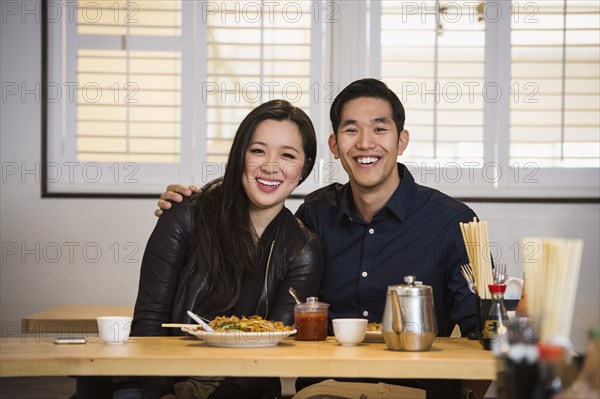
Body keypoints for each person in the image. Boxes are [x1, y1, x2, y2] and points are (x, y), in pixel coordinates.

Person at [157, 79, 479, 399]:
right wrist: (201, 210)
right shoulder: (314, 215)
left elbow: (481, 336)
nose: (366, 143)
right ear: (335, 146)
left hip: (416, 391)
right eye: (351, 130)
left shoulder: (452, 222)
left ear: (402, 140)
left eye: (380, 129)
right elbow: (258, 283)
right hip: (325, 391)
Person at [119, 99, 324, 399]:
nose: (270, 165)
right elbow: (149, 320)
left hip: (245, 388)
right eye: (258, 150)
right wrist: (162, 394)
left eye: (287, 155)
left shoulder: (304, 249)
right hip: (161, 377)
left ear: (304, 167)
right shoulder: (186, 213)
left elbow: (272, 348)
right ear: (239, 155)